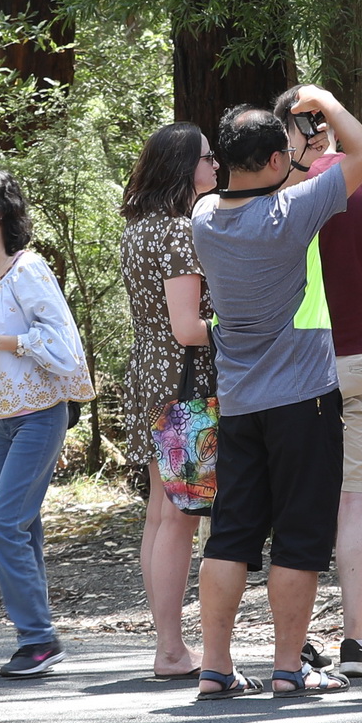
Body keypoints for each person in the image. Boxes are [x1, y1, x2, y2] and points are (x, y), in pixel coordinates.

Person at [191, 88, 362, 698]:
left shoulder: (203, 216)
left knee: (231, 535)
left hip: (241, 401)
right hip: (304, 398)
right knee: (299, 536)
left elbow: (259, 181)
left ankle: (216, 667)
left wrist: (287, 149)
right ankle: (286, 666)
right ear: (278, 162)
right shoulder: (290, 213)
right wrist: (325, 102)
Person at [279, 82, 362, 677]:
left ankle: (297, 641)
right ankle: (355, 639)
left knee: (300, 499)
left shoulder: (282, 188)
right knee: (356, 497)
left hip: (296, 364)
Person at [0, 167, 91, 678]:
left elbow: (63, 346)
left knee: (3, 525)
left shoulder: (28, 269)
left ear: (2, 212)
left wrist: (2, 345)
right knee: (23, 526)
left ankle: (38, 638)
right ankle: (37, 635)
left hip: (39, 413)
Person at [117, 124, 220, 679]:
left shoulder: (138, 230)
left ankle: (168, 645)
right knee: (179, 517)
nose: (216, 166)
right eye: (207, 158)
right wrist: (239, 327)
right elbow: (187, 327)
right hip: (184, 386)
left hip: (151, 379)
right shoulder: (181, 232)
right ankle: (172, 651)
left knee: (161, 514)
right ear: (184, 167)